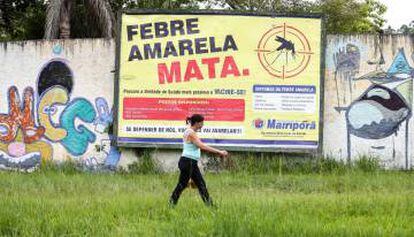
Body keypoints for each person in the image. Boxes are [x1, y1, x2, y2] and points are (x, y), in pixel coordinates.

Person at [169, 114, 228, 207]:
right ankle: (210, 206)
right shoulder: (191, 133)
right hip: (189, 162)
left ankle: (172, 204)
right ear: (197, 123)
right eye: (202, 123)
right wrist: (219, 152)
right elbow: (201, 146)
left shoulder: (189, 132)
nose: (203, 125)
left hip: (189, 162)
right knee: (190, 185)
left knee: (194, 184)